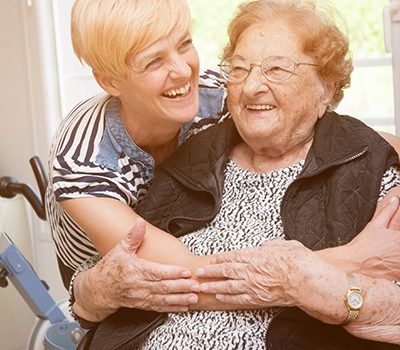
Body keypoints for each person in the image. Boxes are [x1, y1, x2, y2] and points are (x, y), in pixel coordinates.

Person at [78, 0, 400, 349]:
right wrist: (89, 289)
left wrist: (317, 282)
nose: (251, 87)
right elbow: (102, 284)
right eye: (239, 69)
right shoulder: (188, 159)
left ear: (325, 87)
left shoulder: (369, 171)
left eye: (277, 69)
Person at [45, 0, 229, 321]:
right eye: (154, 61)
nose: (185, 71)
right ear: (110, 81)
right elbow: (184, 276)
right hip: (97, 264)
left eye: (184, 44)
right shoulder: (84, 158)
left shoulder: (215, 94)